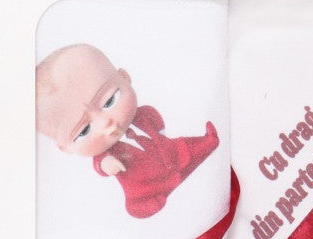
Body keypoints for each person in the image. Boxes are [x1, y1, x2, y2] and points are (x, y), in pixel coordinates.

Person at [36, 43, 219, 218]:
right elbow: (101, 164)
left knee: (188, 148)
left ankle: (209, 141)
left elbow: (154, 120)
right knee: (138, 203)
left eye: (109, 101)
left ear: (124, 78)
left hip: (170, 154)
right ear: (66, 147)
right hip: (146, 182)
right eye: (84, 130)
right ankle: (155, 197)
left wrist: (161, 137)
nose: (106, 123)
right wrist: (107, 164)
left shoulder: (143, 114)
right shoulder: (107, 154)